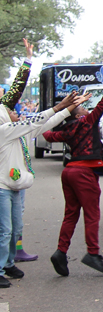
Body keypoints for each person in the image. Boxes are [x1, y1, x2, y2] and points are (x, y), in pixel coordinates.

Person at [43, 68, 103, 276]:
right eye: (81, 107)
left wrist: (59, 112)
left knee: (70, 215)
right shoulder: (88, 121)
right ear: (78, 113)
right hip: (84, 172)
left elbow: (46, 134)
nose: (86, 109)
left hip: (69, 171)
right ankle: (93, 253)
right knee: (91, 214)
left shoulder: (67, 128)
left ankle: (61, 252)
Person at [1, 91, 84, 287]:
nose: (16, 113)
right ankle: (0, 267)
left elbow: (44, 124)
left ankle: (9, 263)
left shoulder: (18, 133)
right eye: (11, 111)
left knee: (15, 229)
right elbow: (34, 121)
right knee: (4, 230)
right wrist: (59, 106)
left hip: (14, 186)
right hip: (3, 187)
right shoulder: (5, 130)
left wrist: (67, 108)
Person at [1, 39, 39, 262]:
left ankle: (11, 256)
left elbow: (16, 88)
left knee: (15, 220)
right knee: (5, 224)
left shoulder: (6, 112)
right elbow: (16, 89)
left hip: (15, 172)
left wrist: (28, 60)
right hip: (3, 176)